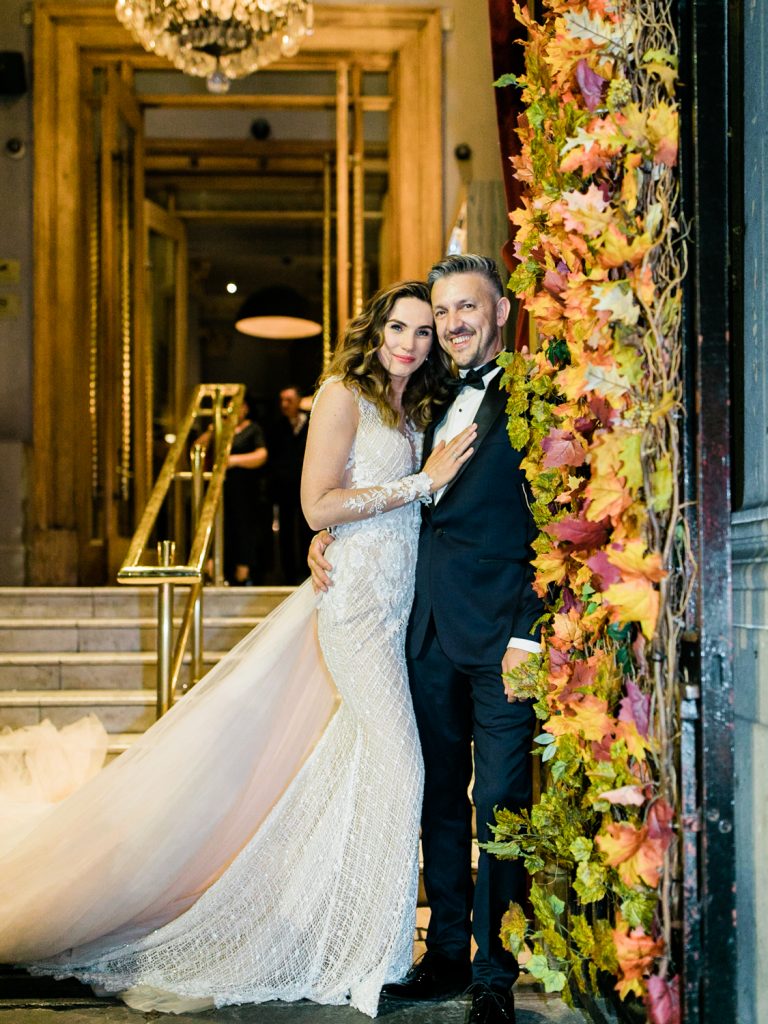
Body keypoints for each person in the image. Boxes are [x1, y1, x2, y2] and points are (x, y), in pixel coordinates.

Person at [0, 280, 476, 1018]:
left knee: (360, 770)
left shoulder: (414, 403)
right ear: (373, 328)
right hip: (352, 606)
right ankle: (365, 952)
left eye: (422, 330)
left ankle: (356, 938)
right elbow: (317, 504)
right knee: (400, 762)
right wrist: (418, 483)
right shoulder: (340, 393)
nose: (411, 342)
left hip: (399, 607)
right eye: (399, 327)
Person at [309, 254, 543, 1024]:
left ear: (500, 311)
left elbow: (562, 524)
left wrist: (531, 637)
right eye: (441, 313)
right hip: (421, 628)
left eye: (466, 309)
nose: (451, 325)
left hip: (506, 632)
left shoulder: (537, 395)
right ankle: (442, 955)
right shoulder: (423, 394)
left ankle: (494, 972)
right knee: (436, 796)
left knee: (500, 803)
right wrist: (328, 541)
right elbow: (373, 490)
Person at [214, 390, 270, 585]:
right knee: (223, 527)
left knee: (244, 527)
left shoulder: (253, 429)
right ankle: (221, 570)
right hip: (223, 489)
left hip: (245, 488)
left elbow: (262, 455)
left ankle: (244, 571)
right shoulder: (221, 429)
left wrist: (234, 460)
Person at [269, 385, 313, 584]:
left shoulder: (311, 422)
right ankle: (287, 573)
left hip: (307, 484)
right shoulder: (276, 427)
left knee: (307, 528)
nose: (285, 405)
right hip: (284, 486)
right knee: (285, 530)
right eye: (282, 400)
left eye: (289, 400)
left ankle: (307, 570)